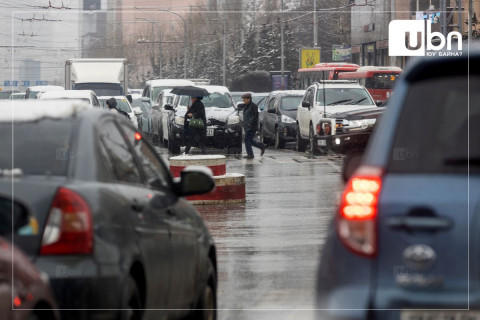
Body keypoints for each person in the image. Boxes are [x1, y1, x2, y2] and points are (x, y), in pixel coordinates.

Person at [238, 92, 266, 159]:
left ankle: (250, 154)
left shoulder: (253, 106)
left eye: (244, 99)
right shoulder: (246, 105)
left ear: (248, 99)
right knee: (249, 140)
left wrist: (250, 123)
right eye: (243, 99)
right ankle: (261, 146)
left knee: (247, 140)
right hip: (247, 126)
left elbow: (255, 116)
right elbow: (240, 107)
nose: (243, 100)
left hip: (251, 126)